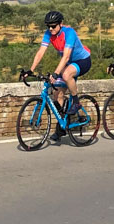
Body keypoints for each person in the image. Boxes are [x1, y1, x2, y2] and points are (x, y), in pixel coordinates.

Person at [24, 11, 91, 142]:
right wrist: (31, 70)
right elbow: (40, 52)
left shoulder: (69, 33)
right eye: (48, 26)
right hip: (68, 63)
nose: (50, 29)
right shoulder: (48, 34)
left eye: (53, 26)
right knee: (57, 94)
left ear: (61, 24)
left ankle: (76, 103)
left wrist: (56, 73)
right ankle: (62, 127)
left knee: (66, 75)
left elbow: (66, 56)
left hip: (82, 61)